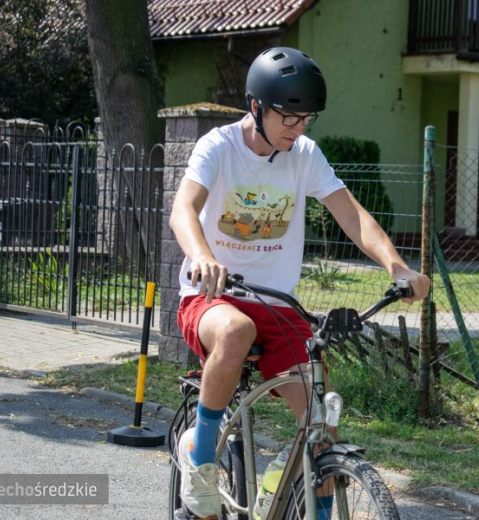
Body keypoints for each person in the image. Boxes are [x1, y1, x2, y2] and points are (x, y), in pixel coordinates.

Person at [170, 47, 431, 520]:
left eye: (306, 118)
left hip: (277, 306)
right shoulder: (218, 146)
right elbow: (183, 209)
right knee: (234, 332)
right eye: (288, 117)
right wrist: (203, 256)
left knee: (321, 431)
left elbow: (352, 215)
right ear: (256, 106)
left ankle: (305, 499)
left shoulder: (304, 155)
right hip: (212, 298)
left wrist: (397, 267)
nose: (298, 128)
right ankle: (201, 458)